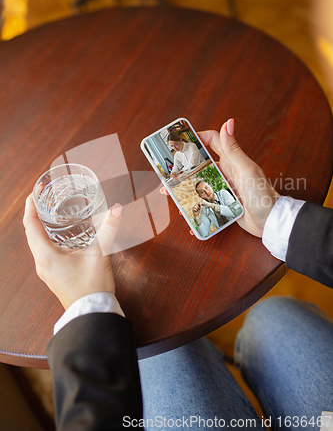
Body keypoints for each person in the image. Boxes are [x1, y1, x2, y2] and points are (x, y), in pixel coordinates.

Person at [23, 118, 333, 431]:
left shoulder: (193, 159)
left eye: (174, 145)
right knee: (274, 316)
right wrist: (274, 217)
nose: (173, 148)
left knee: (159, 355)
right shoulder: (182, 159)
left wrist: (84, 308)